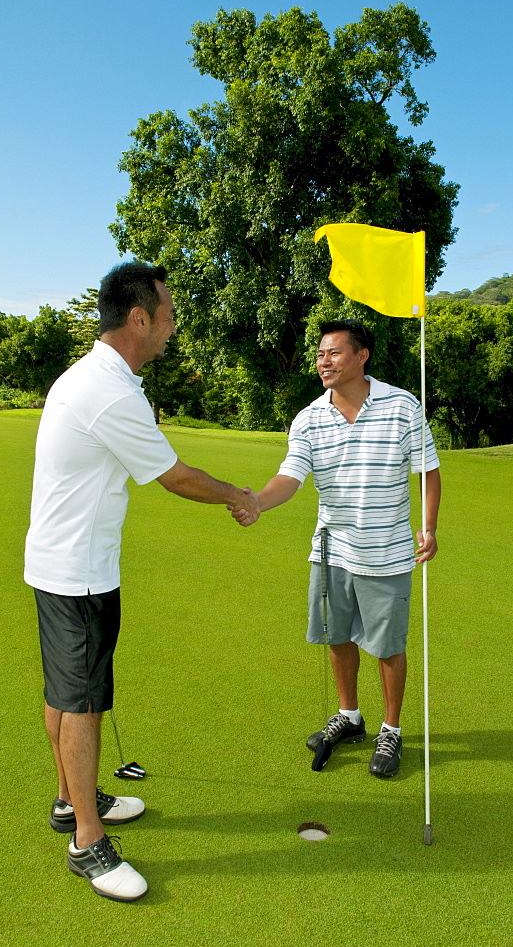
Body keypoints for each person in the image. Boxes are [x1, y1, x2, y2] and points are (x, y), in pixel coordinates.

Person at [25, 262, 258, 902]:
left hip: (66, 563)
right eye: (169, 316)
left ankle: (74, 800)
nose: (172, 329)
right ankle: (88, 844)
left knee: (68, 690)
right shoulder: (110, 390)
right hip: (78, 572)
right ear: (139, 318)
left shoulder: (93, 376)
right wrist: (242, 496)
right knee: (82, 702)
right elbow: (175, 476)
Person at [232, 319, 440, 779]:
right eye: (320, 354)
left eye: (334, 353)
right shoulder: (309, 417)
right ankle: (350, 716)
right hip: (331, 550)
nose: (323, 362)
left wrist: (428, 527)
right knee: (337, 636)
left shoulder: (403, 406)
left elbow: (428, 471)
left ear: (361, 355)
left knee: (387, 646)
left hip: (386, 550)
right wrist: (258, 503)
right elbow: (291, 476)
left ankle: (391, 727)